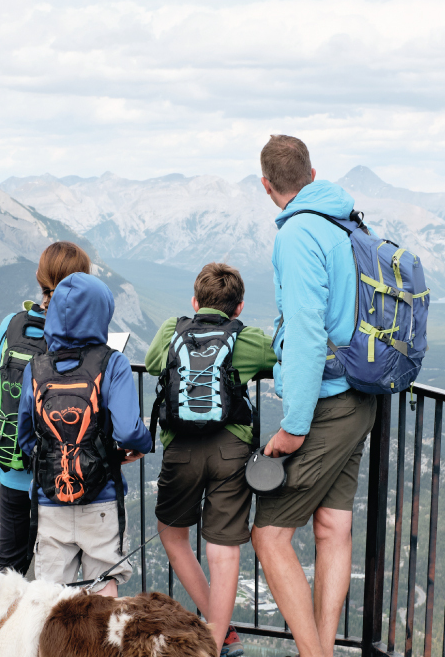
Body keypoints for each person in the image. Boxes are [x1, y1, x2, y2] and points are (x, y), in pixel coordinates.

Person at [252, 135, 377, 657]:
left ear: (267, 187)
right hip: (360, 394)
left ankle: (313, 654)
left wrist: (294, 424)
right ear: (311, 172)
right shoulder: (344, 221)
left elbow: (304, 331)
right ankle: (323, 649)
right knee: (332, 526)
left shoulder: (299, 233)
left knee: (269, 534)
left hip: (326, 403)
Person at [145, 262, 276, 657]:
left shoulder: (173, 329)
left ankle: (213, 622)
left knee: (171, 533)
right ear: (238, 308)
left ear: (194, 301)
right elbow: (277, 359)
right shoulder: (246, 337)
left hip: (180, 448)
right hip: (231, 450)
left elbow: (153, 363)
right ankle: (216, 643)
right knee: (223, 548)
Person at [17, 272, 153, 597]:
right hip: (102, 498)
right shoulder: (112, 363)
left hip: (50, 501)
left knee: (50, 600)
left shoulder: (35, 368)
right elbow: (130, 431)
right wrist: (138, 448)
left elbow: (25, 437)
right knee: (102, 593)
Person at [0, 241, 91, 574]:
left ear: (39, 276)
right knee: (62, 569)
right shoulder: (77, 334)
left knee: (8, 564)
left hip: (12, 465)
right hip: (57, 472)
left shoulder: (10, 324)